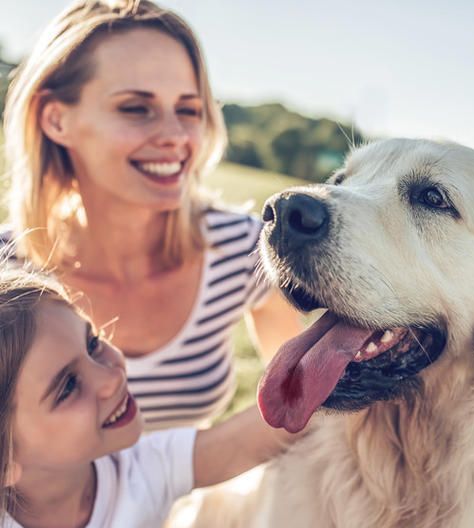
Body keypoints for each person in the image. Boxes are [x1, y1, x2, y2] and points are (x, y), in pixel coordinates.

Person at [1, 0, 303, 430]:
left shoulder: (243, 249)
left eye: (188, 110)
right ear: (55, 119)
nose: (176, 136)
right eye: (135, 108)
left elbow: (300, 410)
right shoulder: (6, 273)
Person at [0, 265, 300, 528]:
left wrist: (327, 364)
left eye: (92, 344)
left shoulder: (138, 472)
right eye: (67, 387)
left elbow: (247, 440)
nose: (111, 378)